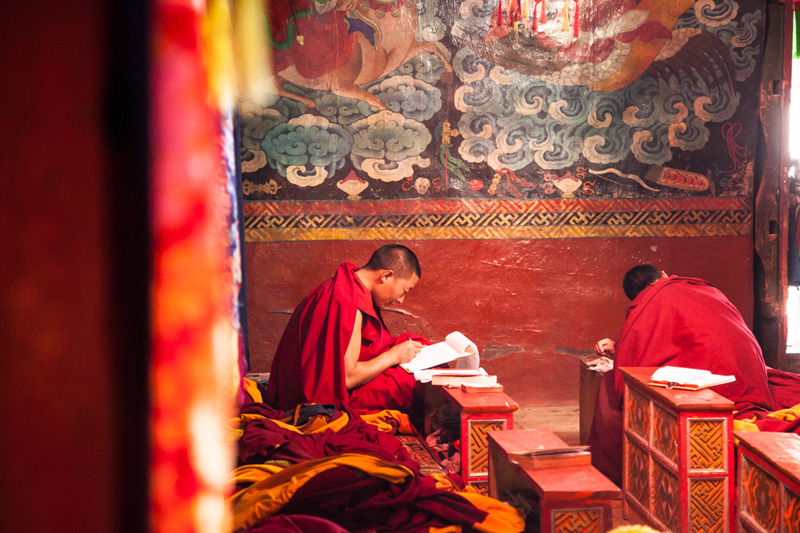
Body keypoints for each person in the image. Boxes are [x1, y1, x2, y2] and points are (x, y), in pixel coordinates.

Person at [588, 265, 774, 485]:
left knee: (612, 383)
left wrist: (618, 349)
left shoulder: (645, 304)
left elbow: (639, 356)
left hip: (710, 384)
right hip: (749, 372)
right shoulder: (703, 287)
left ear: (636, 296)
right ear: (665, 275)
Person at [265, 244, 429, 413]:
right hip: (323, 395)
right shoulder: (350, 302)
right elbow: (347, 378)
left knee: (419, 344)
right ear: (386, 276)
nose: (401, 300)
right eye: (404, 291)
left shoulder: (349, 285)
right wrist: (394, 356)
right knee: (412, 382)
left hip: (341, 374)